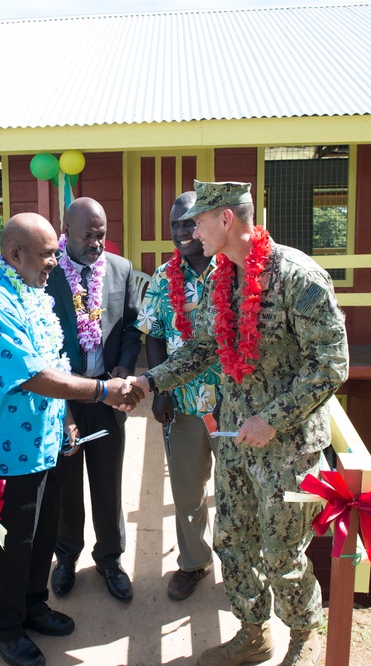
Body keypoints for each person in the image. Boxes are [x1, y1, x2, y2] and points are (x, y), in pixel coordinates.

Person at [130, 181, 349, 666]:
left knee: (283, 553)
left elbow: (331, 365)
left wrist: (272, 419)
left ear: (225, 219)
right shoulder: (219, 278)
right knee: (232, 539)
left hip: (287, 448)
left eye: (197, 222)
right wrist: (148, 382)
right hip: (231, 438)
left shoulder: (298, 277)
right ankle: (254, 633)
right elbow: (203, 347)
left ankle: (303, 638)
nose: (190, 232)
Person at [0, 212, 141, 666]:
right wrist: (103, 390)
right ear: (14, 254)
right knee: (9, 546)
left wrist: (65, 422)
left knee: (41, 538)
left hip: (44, 444)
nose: (54, 263)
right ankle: (4, 627)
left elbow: (56, 359)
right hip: (4, 454)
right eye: (47, 254)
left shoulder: (32, 293)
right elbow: (36, 375)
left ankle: (33, 606)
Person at [45, 197, 142, 602]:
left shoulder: (121, 270)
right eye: (88, 235)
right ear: (66, 230)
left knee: (107, 482)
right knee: (66, 484)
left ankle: (110, 559)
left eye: (101, 235)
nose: (97, 243)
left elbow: (134, 326)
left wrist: (123, 365)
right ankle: (66, 558)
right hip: (63, 395)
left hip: (105, 395)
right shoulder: (47, 275)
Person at [136, 191, 221, 601]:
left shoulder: (234, 269)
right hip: (183, 404)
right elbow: (152, 333)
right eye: (175, 225)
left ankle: (244, 567)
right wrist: (161, 390)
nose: (182, 232)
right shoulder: (163, 277)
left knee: (240, 489)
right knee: (187, 492)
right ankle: (194, 563)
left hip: (233, 404)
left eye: (188, 222)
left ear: (206, 222)